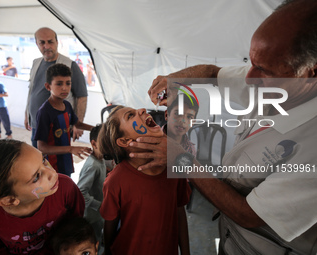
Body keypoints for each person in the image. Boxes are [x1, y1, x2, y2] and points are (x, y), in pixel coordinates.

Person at [131, 0, 317, 254]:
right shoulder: (277, 76)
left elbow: (249, 215)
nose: (248, 78)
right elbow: (212, 72)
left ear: (311, 73)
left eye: (263, 70)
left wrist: (180, 158)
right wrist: (174, 80)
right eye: (251, 62)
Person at [98, 106, 191, 255]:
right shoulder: (116, 181)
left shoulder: (173, 167)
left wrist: (186, 252)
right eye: (130, 115)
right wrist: (108, 251)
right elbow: (110, 222)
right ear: (125, 140)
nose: (142, 110)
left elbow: (179, 211)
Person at [0, 139, 85, 254]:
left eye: (43, 160)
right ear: (10, 200)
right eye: (37, 177)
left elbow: (77, 227)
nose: (52, 173)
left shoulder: (66, 188)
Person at [25, 27, 88, 148]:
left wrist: (78, 124)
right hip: (36, 124)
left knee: (56, 163)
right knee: (38, 160)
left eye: (50, 41)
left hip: (58, 126)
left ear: (57, 42)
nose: (46, 46)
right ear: (37, 44)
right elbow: (32, 90)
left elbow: (81, 96)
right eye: (42, 42)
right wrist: (27, 114)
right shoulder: (35, 63)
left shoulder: (70, 65)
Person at [35, 64, 93, 177]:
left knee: (67, 184)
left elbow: (77, 123)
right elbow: (42, 147)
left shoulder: (66, 105)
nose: (65, 88)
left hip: (65, 160)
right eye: (59, 84)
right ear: (48, 86)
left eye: (68, 83)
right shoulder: (44, 112)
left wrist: (96, 129)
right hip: (51, 165)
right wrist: (71, 149)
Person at [77, 124, 106, 242]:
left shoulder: (101, 158)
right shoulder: (93, 166)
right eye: (104, 141)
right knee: (93, 239)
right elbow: (81, 192)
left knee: (99, 235)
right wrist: (99, 205)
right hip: (91, 215)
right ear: (94, 144)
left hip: (98, 213)